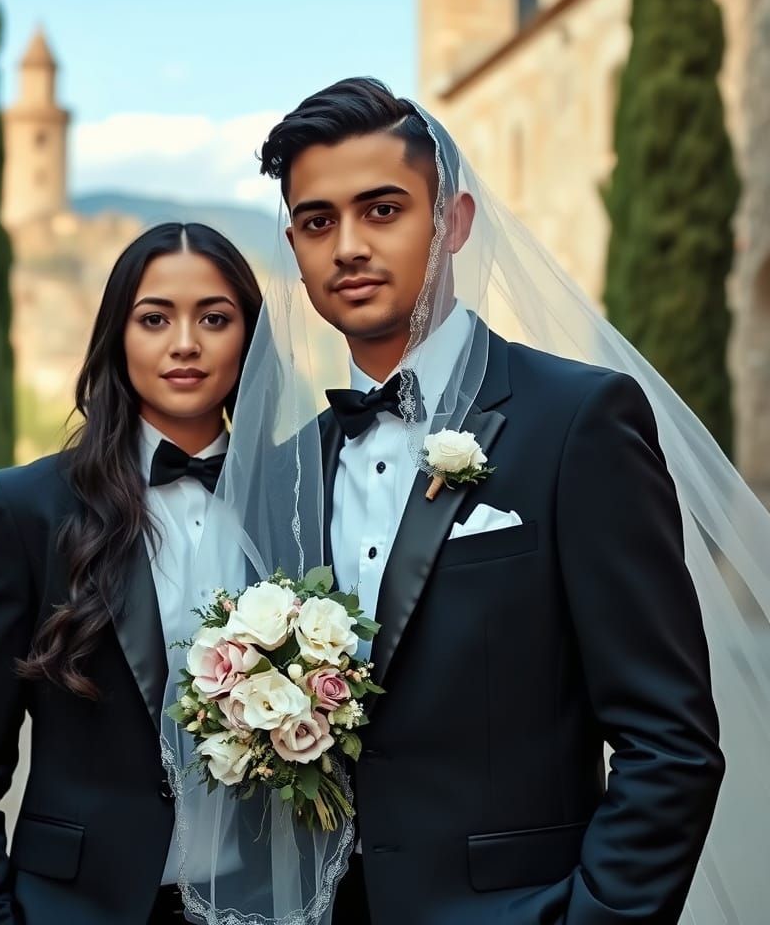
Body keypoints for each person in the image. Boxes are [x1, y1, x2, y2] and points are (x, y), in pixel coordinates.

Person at [245, 78, 729, 924]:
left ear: (454, 223)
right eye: (318, 222)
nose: (348, 245)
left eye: (383, 210)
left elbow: (670, 744)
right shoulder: (284, 473)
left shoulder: (579, 423)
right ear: (296, 247)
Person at [0, 222, 263, 925]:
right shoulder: (26, 511)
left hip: (263, 906)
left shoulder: (293, 502)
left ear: (251, 340)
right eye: (154, 318)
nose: (185, 342)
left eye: (215, 319)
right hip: (78, 907)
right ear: (116, 337)